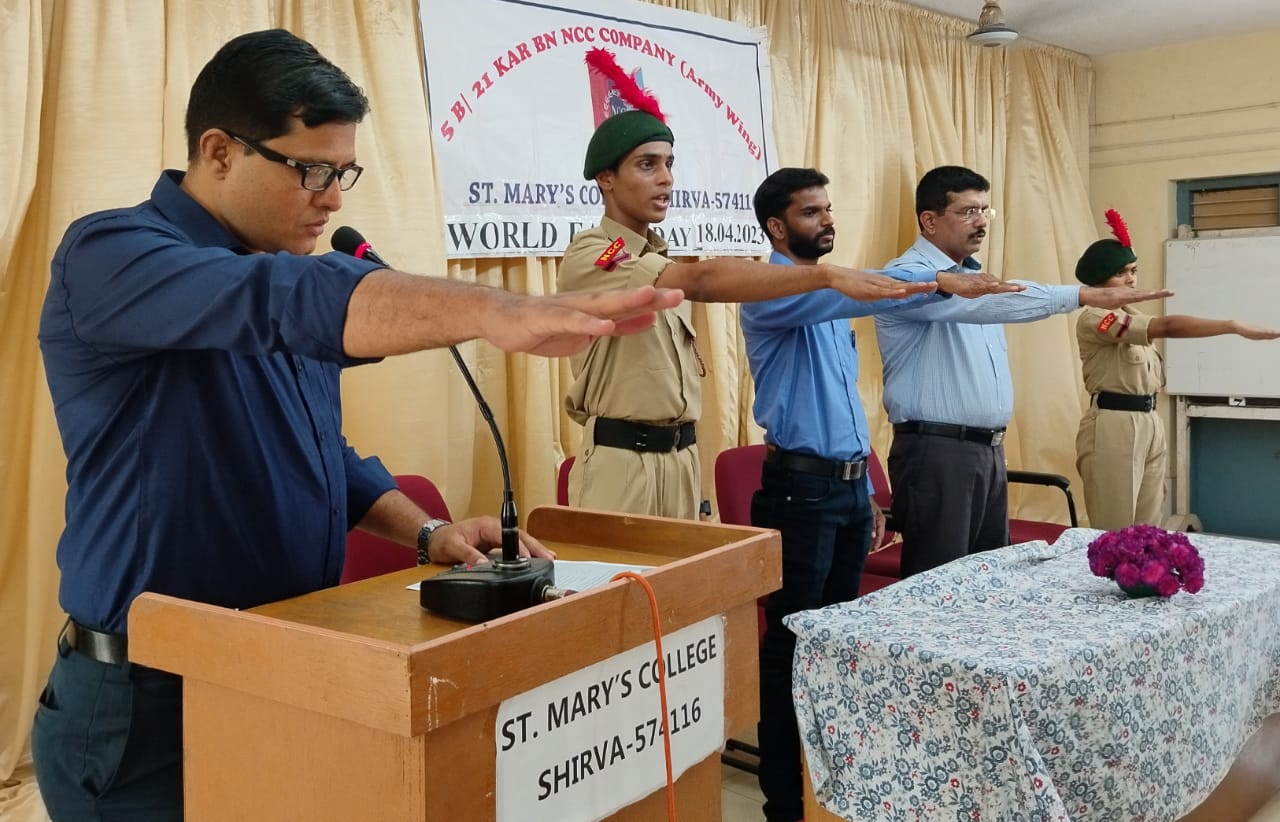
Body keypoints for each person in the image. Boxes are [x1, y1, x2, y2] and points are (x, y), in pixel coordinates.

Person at [31, 29, 683, 822]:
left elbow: (318, 454)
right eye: (310, 170)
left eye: (342, 173)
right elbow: (274, 300)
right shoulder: (113, 253)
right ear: (219, 151)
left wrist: (430, 533)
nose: (333, 198)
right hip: (143, 710)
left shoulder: (283, 275)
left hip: (283, 668)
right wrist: (493, 309)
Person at [741, 167, 1024, 822]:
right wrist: (940, 282)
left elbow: (845, 406)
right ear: (777, 227)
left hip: (841, 489)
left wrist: (866, 485)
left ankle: (838, 792)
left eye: (828, 208)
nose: (826, 221)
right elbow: (867, 293)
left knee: (844, 646)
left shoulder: (830, 290)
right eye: (810, 212)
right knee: (794, 648)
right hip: (798, 493)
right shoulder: (774, 291)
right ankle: (786, 802)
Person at [559, 53, 941, 520]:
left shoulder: (659, 258)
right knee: (619, 572)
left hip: (680, 459)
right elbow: (702, 280)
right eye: (647, 165)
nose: (666, 178)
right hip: (621, 463)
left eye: (669, 164)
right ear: (606, 178)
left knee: (686, 574)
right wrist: (826, 274)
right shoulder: (595, 254)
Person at [874, 165, 1173, 577]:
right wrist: (1081, 295)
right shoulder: (906, 276)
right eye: (967, 211)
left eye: (985, 210)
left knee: (992, 581)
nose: (981, 222)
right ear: (929, 220)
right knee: (940, 584)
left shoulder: (975, 275)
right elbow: (990, 303)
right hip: (938, 452)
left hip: (987, 449)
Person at [1074, 209, 1280, 529]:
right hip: (1115, 425)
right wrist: (1232, 326)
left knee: (1148, 530)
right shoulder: (1096, 318)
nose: (1131, 279)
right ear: (1100, 281)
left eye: (1133, 270)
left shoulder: (1131, 314)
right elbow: (1167, 326)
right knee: (1114, 531)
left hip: (1148, 420)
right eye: (1120, 273)